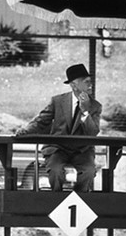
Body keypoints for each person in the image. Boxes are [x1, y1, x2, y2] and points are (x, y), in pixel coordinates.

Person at [16, 64, 102, 192]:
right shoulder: (58, 101)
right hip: (58, 148)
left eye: (90, 82)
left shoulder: (95, 106)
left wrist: (85, 112)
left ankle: (79, 200)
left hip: (82, 151)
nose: (91, 85)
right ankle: (57, 200)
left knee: (89, 172)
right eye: (86, 82)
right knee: (55, 171)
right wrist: (25, 131)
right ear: (74, 85)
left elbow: (93, 132)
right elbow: (41, 121)